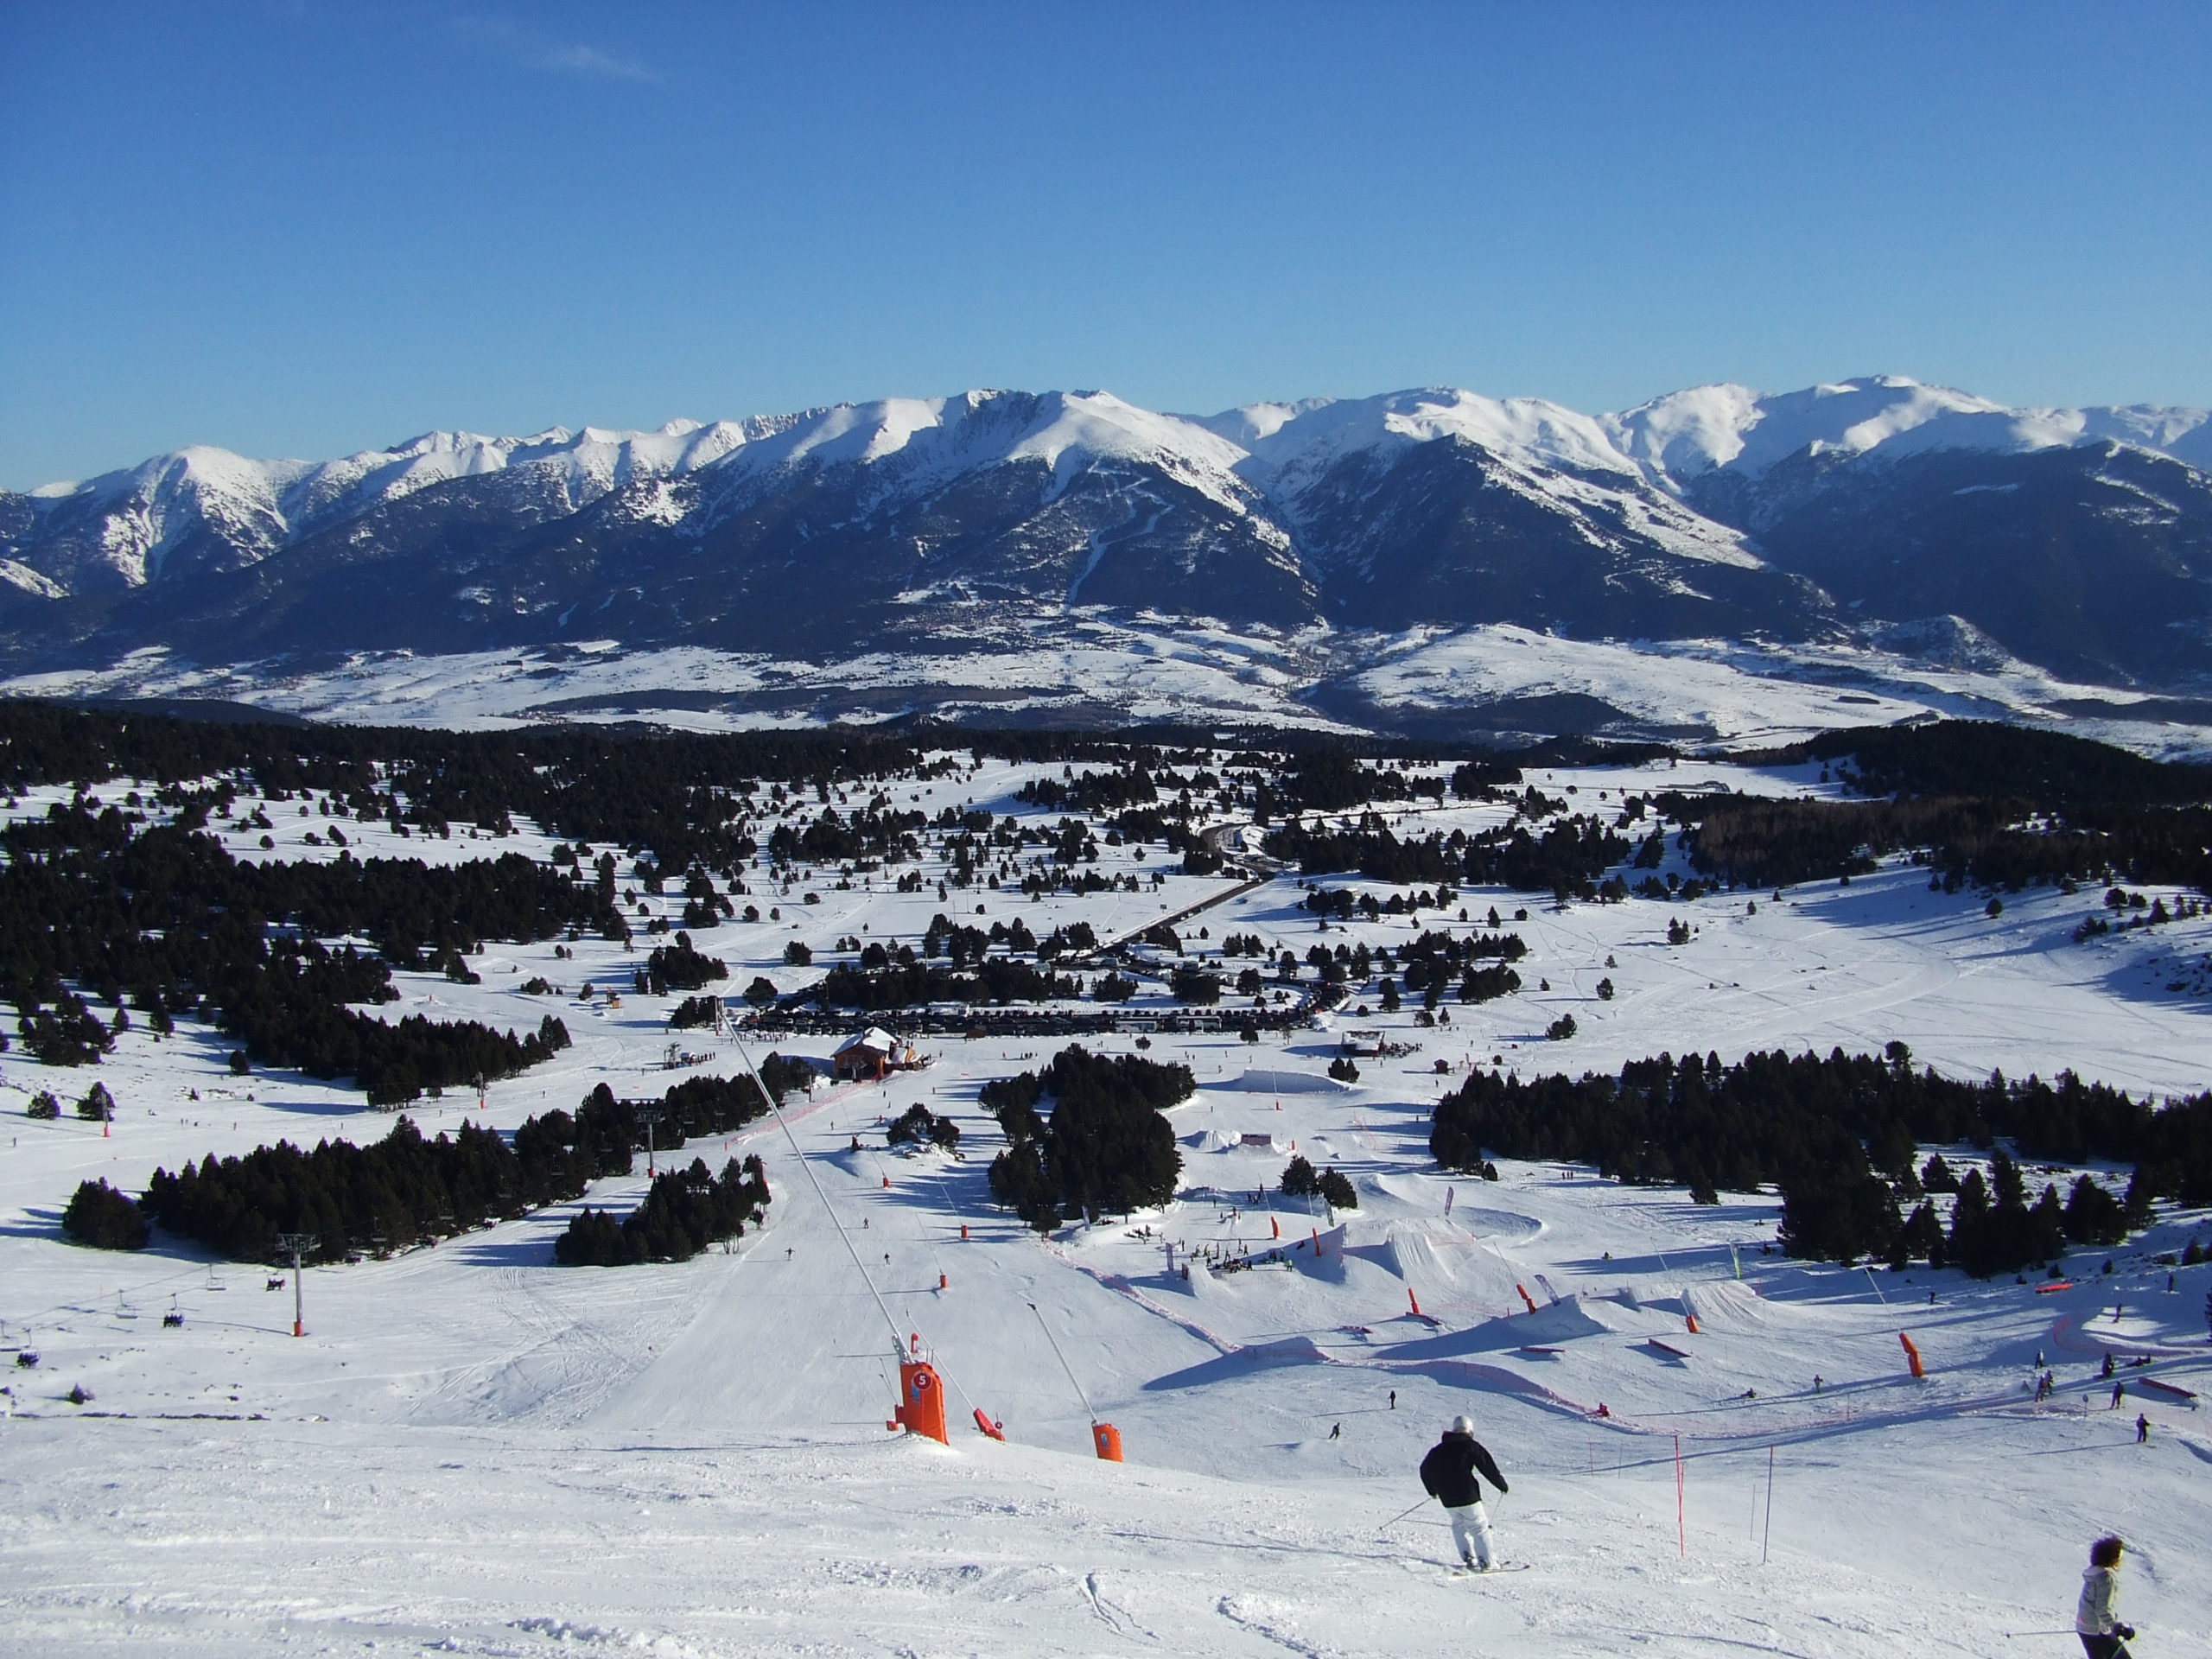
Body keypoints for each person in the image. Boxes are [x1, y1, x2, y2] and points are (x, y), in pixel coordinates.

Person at [1418, 1414, 1510, 1570]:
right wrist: (1501, 1485)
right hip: (1468, 1495)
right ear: (1469, 1431)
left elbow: (1424, 1469)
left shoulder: (1438, 1449)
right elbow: (1487, 1466)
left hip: (1447, 1499)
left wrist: (1433, 1491)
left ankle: (1469, 1557)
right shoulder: (1470, 1445)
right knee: (1479, 1527)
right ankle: (1488, 1562)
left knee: (1458, 1525)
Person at [2075, 1535, 2135, 1658]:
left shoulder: (2093, 1574)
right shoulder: (2106, 1578)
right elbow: (2102, 1609)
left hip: (2084, 1627)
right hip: (2097, 1630)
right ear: (2113, 1558)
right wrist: (2117, 1628)